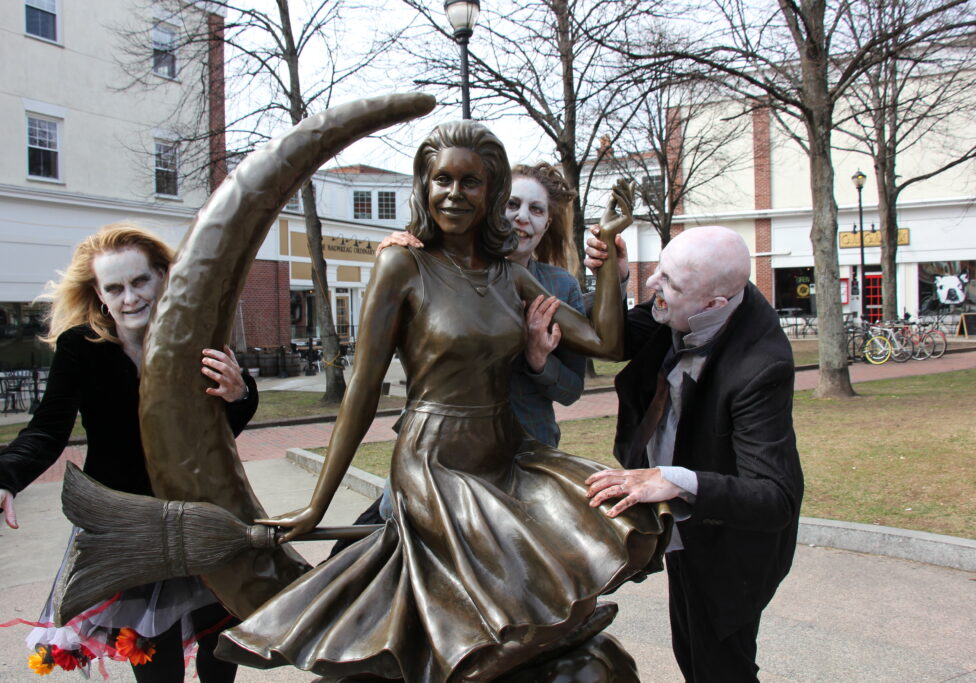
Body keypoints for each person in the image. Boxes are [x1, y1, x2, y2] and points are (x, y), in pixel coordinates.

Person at [214, 121, 668, 682]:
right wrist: (317, 503)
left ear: (491, 192)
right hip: (435, 462)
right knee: (497, 598)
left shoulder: (509, 275)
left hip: (508, 454)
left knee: (620, 515)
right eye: (442, 180)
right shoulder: (402, 265)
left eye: (471, 182)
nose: (455, 193)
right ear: (424, 187)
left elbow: (607, 342)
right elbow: (360, 392)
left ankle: (539, 642)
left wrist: (603, 264)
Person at [0, 224, 257, 682]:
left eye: (140, 282)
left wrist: (239, 395)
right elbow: (45, 430)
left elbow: (219, 433)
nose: (129, 297)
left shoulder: (197, 339)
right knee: (154, 661)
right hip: (127, 526)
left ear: (163, 279)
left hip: (202, 514)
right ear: (99, 293)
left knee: (222, 650)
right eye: (115, 287)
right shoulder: (81, 349)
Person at [583, 225, 804, 681]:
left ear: (713, 305)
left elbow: (775, 498)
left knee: (720, 667)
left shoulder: (761, 365)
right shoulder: (690, 301)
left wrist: (676, 480)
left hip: (729, 547)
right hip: (686, 529)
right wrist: (614, 280)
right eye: (659, 272)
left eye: (668, 284)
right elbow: (617, 339)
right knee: (693, 655)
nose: (653, 288)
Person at [377, 161, 585, 447]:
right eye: (512, 204)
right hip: (437, 446)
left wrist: (540, 362)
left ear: (547, 223)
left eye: (536, 209)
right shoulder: (435, 270)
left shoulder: (561, 288)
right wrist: (396, 261)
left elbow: (572, 391)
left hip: (528, 447)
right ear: (491, 208)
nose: (522, 217)